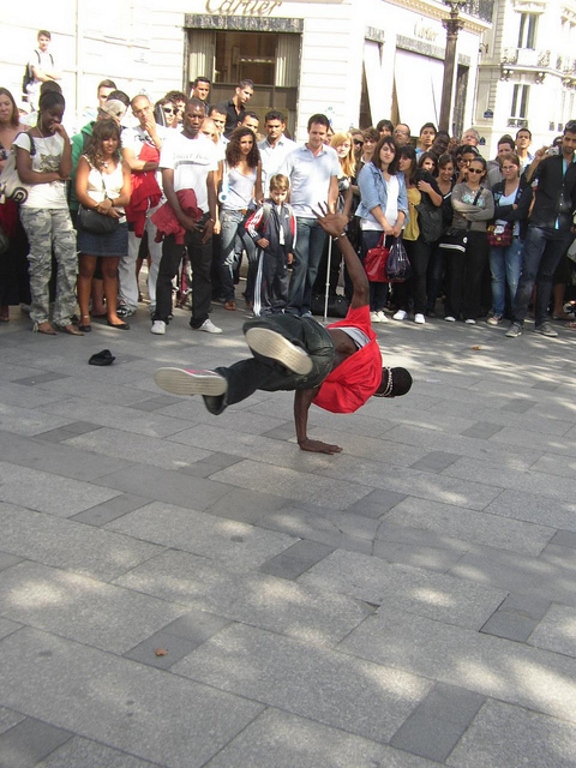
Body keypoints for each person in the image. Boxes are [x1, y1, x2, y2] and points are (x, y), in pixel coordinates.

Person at [154, 209, 413, 455]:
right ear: (387, 395)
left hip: (316, 339)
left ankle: (229, 378)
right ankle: (275, 363)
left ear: (388, 368)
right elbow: (311, 388)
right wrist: (303, 438)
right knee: (283, 373)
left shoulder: (369, 338)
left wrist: (340, 236)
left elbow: (361, 287)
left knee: (268, 341)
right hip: (316, 366)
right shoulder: (357, 398)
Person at [151, 97, 219, 336]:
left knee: (202, 270)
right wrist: (180, 216)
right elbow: (167, 182)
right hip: (176, 214)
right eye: (191, 115)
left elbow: (211, 183)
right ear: (184, 116)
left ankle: (201, 318)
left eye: (200, 116)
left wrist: (213, 217)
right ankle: (161, 317)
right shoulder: (172, 142)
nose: (195, 120)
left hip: (202, 214)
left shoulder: (209, 145)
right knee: (168, 268)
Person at [14, 90, 78, 335]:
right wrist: (54, 176)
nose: (55, 119)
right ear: (41, 111)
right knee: (41, 262)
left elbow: (67, 171)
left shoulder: (61, 138)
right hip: (35, 205)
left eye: (60, 115)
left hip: (59, 205)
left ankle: (63, 315)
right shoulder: (25, 138)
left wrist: (66, 140)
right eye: (52, 114)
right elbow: (25, 174)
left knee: (69, 259)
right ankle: (40, 316)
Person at [506, 121, 576, 339]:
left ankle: (541, 321)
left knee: (547, 275)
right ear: (562, 138)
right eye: (567, 139)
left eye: (574, 141)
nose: (569, 144)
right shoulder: (549, 161)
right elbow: (526, 181)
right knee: (529, 273)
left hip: (562, 226)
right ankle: (517, 321)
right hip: (540, 223)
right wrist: (537, 160)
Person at [75, 119, 132, 331]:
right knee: (87, 268)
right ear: (97, 139)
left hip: (117, 221)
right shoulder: (86, 161)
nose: (110, 143)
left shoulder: (123, 164)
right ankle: (84, 315)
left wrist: (111, 203)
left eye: (114, 139)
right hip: (91, 219)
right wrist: (102, 207)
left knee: (110, 270)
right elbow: (80, 193)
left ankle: (112, 314)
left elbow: (126, 196)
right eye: (106, 139)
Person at [281, 113, 340, 316]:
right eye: (314, 133)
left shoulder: (331, 155)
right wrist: (287, 207)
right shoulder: (294, 155)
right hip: (300, 215)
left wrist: (331, 210)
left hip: (321, 218)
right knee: (301, 263)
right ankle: (292, 306)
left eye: (321, 134)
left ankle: (305, 306)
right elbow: (284, 181)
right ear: (308, 131)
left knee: (314, 266)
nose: (317, 137)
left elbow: (333, 185)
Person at [121, 94, 168, 318]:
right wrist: (158, 163)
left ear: (152, 107)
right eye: (138, 111)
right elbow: (130, 162)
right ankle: (128, 302)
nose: (144, 114)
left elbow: (172, 160)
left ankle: (157, 303)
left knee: (158, 255)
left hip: (160, 201)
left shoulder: (167, 133)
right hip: (136, 200)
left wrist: (155, 136)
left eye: (146, 109)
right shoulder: (128, 133)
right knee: (129, 254)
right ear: (134, 113)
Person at [356, 135, 408, 323]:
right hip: (373, 226)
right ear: (379, 150)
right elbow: (370, 200)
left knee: (386, 270)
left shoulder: (398, 175)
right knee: (371, 267)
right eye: (385, 149)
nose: (388, 153)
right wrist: (385, 224)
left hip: (393, 229)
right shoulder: (369, 171)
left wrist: (398, 224)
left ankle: (379, 307)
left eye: (392, 151)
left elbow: (403, 202)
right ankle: (368, 308)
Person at [394, 145, 442, 324]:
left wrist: (429, 189)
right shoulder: (395, 177)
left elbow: (438, 202)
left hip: (420, 230)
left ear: (412, 160)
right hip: (399, 228)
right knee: (401, 270)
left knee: (419, 271)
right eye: (399, 158)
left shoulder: (423, 176)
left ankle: (420, 309)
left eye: (405, 158)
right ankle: (402, 306)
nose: (401, 161)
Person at [443, 155, 494, 324]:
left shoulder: (486, 193)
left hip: (478, 235)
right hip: (459, 233)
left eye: (478, 171)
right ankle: (452, 310)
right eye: (471, 170)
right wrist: (478, 210)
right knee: (455, 272)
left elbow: (490, 213)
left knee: (474, 275)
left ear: (483, 173)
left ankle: (470, 312)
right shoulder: (459, 188)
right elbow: (456, 205)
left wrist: (469, 214)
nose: (473, 174)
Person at [218, 126, 262, 311]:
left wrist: (261, 204)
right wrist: (216, 217)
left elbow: (258, 189)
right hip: (229, 211)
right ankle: (228, 295)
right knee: (227, 257)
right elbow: (217, 188)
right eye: (243, 142)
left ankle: (250, 294)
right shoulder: (227, 162)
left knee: (254, 255)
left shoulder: (256, 162)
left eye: (250, 142)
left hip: (248, 213)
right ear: (236, 143)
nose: (247, 146)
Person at [487, 152, 531, 326]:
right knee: (496, 276)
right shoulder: (497, 187)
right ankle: (498, 311)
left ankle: (516, 314)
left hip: (515, 236)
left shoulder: (524, 188)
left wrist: (504, 214)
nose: (507, 170)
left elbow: (521, 212)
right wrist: (509, 208)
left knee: (513, 278)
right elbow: (491, 211)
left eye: (511, 167)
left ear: (518, 167)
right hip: (495, 235)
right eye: (504, 167)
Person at [0, 87, 31, 322]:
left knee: (23, 250)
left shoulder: (26, 132)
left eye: (6, 103)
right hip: (1, 201)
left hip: (24, 197)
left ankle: (26, 299)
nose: (3, 108)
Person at [246, 173, 296, 315]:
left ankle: (279, 308)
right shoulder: (265, 208)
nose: (279, 197)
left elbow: (293, 231)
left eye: (282, 194)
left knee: (282, 281)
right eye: (276, 194)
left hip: (283, 251)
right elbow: (250, 225)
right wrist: (258, 239)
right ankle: (262, 308)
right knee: (265, 279)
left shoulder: (289, 210)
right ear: (270, 192)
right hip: (268, 250)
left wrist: (291, 251)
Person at [426, 152, 455, 316]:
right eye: (444, 168)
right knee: (425, 270)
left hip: (447, 234)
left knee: (438, 273)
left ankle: (431, 305)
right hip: (429, 232)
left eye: (450, 169)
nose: (446, 172)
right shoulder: (431, 183)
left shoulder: (456, 188)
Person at [258, 109, 297, 191]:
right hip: (261, 195)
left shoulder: (293, 148)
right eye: (270, 126)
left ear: (283, 127)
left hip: (282, 195)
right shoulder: (258, 147)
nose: (273, 130)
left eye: (276, 126)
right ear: (265, 126)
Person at [25, 30, 61, 111]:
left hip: (50, 91)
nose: (44, 42)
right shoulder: (34, 54)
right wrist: (52, 80)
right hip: (36, 91)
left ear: (49, 41)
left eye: (46, 40)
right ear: (38, 40)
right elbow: (38, 75)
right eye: (42, 40)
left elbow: (59, 75)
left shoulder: (52, 56)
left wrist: (43, 71)